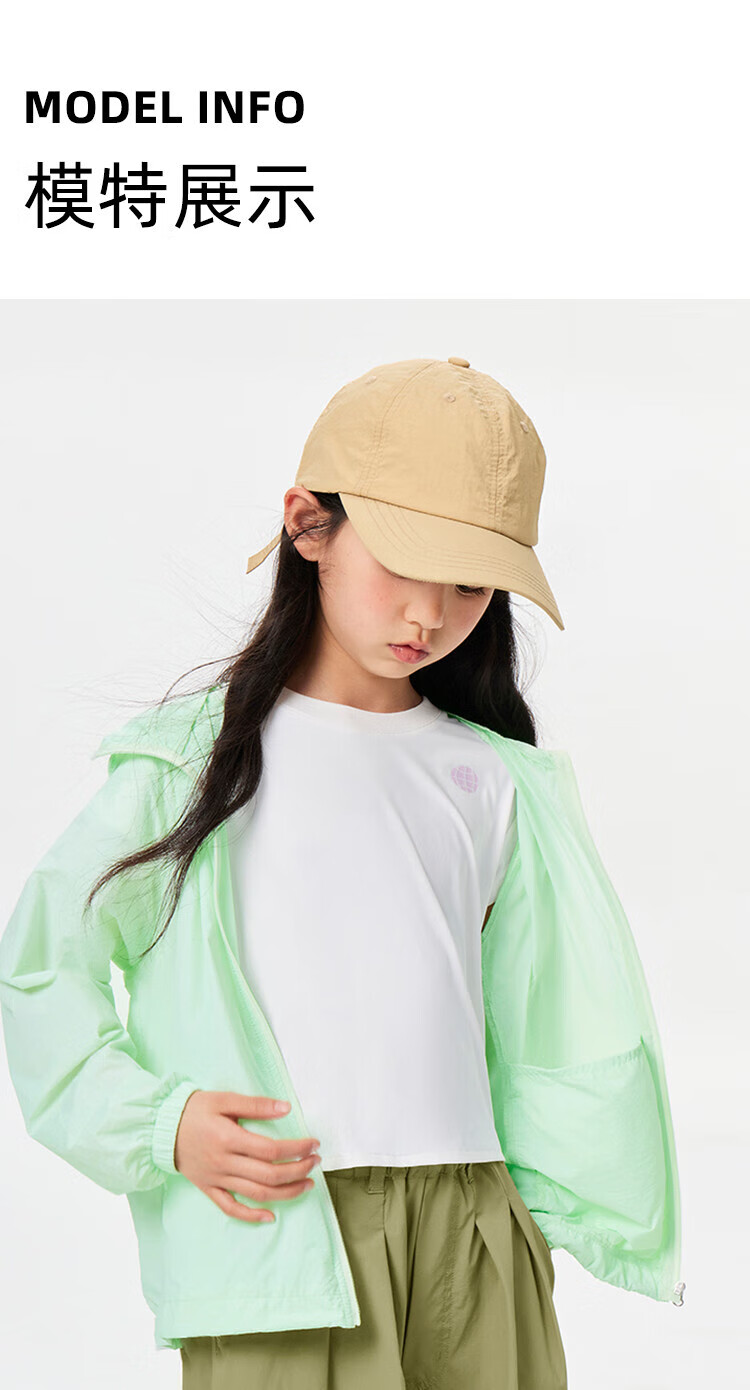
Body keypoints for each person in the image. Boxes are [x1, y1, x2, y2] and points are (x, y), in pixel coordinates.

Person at [0, 356, 684, 1390]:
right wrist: (158, 1122)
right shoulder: (192, 765)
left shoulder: (496, 780)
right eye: (406, 562)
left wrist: (540, 1214)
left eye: (471, 582)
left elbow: (544, 1018)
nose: (430, 613)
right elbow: (43, 965)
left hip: (475, 1231)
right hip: (279, 1232)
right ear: (308, 525)